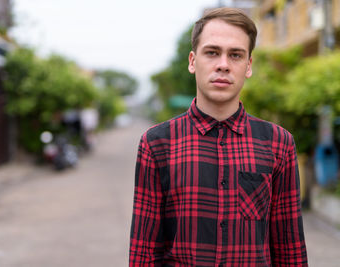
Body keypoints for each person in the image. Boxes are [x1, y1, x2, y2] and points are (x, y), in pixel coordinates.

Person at [129, 7, 308, 266]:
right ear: (193, 61)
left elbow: (289, 248)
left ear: (248, 66)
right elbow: (144, 252)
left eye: (235, 55)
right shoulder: (157, 144)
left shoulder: (278, 144)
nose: (223, 65)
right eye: (212, 52)